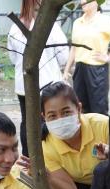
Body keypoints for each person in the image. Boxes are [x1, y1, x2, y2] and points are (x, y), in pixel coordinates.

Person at [40, 81, 108, 189]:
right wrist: (48, 177)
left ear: (78, 108)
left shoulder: (103, 125)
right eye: (52, 116)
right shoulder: (46, 144)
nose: (60, 120)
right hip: (81, 187)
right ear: (43, 117)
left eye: (66, 112)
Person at [7, 0, 69, 156]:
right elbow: (64, 57)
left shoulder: (15, 28)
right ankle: (50, 158)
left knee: (27, 123)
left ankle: (29, 159)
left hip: (24, 87)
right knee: (50, 122)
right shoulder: (51, 27)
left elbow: (13, 58)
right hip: (49, 87)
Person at [62, 0, 110, 115]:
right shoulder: (78, 22)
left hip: (96, 70)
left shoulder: (104, 20)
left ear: (96, 2)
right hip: (79, 69)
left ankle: (100, 133)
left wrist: (109, 57)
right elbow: (74, 47)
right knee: (80, 108)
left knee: (99, 109)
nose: (83, 2)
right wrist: (66, 70)